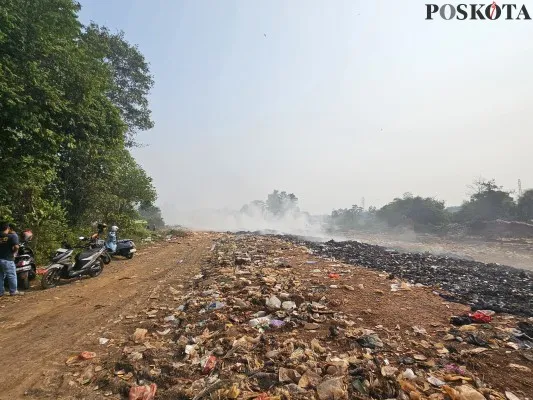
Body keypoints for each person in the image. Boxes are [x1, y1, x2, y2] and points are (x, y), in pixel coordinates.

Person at [0, 222, 22, 296]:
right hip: (7, 259)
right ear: (8, 228)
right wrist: (14, 252)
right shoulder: (12, 236)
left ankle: (1, 292)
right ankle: (13, 291)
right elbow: (16, 246)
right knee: (11, 275)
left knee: (0, 276)